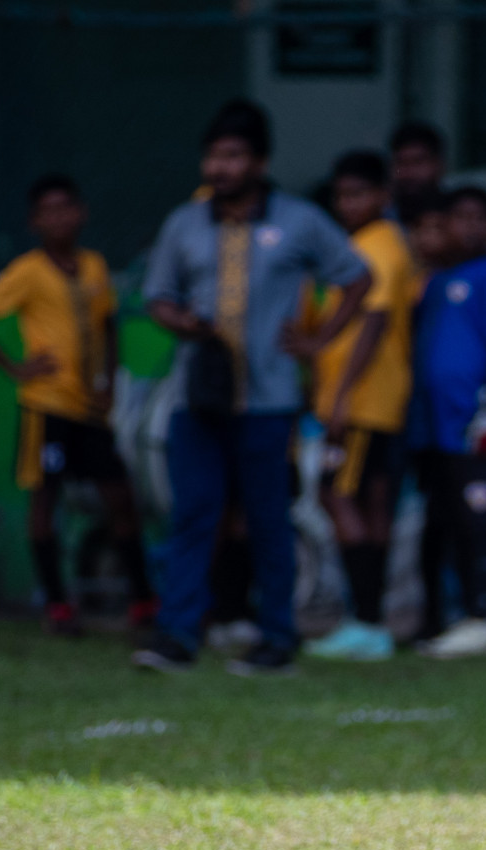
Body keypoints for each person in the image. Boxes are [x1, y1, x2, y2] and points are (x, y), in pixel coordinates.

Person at [132, 99, 371, 675]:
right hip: (199, 398)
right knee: (193, 514)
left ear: (259, 161)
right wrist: (180, 321)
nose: (220, 167)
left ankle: (277, 640)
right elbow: (157, 295)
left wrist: (318, 341)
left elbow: (357, 277)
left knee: (268, 519)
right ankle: (179, 636)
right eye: (213, 156)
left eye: (233, 155)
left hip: (269, 401)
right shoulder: (183, 223)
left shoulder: (298, 220)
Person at [0, 174, 156, 636]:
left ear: (81, 212)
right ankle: (57, 604)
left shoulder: (95, 266)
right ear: (35, 221)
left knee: (119, 496)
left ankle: (143, 600)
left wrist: (109, 382)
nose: (59, 217)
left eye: (66, 207)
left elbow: (110, 325)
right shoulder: (27, 271)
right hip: (47, 407)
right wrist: (16, 368)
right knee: (46, 499)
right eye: (48, 210)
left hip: (91, 411)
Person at [300, 151, 416, 662]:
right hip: (363, 402)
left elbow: (371, 324)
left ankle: (366, 622)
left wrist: (342, 395)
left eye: (358, 194)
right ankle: (370, 623)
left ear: (381, 197)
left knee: (336, 496)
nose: (347, 204)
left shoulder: (380, 248)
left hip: (365, 403)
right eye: (341, 196)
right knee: (367, 503)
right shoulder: (355, 246)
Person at [406, 186, 486, 658]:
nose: (469, 227)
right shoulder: (436, 282)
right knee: (438, 522)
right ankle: (436, 619)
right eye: (459, 217)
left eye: (480, 218)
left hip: (474, 426)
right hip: (433, 426)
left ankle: (482, 617)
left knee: (479, 518)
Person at [389, 122, 446, 209]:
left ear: (438, 164)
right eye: (401, 162)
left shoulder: (456, 216)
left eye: (418, 162)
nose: (409, 172)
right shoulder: (380, 216)